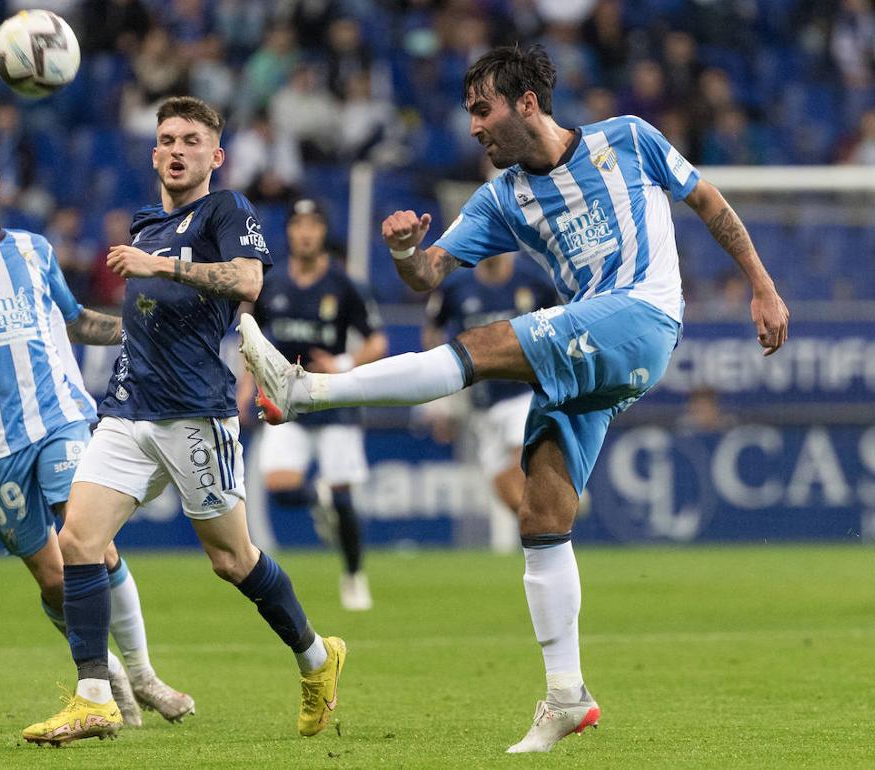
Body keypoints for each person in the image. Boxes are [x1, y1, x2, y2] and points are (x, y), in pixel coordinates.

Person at [240, 44, 789, 753]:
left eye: (482, 109)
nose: (473, 127)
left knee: (488, 343)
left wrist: (763, 285)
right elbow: (429, 276)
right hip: (596, 345)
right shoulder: (500, 199)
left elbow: (708, 203)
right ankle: (566, 696)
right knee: (541, 511)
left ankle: (308, 389)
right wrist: (409, 251)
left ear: (526, 102)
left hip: (644, 315)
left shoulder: (628, 138)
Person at [23, 97, 345, 745]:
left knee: (232, 560)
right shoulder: (144, 225)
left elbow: (250, 282)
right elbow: (122, 325)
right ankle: (93, 697)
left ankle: (317, 658)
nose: (176, 149)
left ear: (214, 156)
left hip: (195, 413)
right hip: (127, 411)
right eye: (166, 139)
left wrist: (162, 265)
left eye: (191, 140)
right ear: (153, 152)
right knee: (79, 543)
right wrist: (48, 312)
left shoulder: (226, 212)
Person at [0, 131, 192, 728]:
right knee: (53, 580)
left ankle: (145, 675)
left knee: (91, 545)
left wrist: (137, 331)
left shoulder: (34, 250)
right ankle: (108, 676)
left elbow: (75, 322)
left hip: (61, 418)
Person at [238, 198, 388, 610]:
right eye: (298, 224)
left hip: (333, 401)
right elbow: (255, 343)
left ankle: (354, 575)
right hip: (287, 404)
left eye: (313, 224)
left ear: (323, 232)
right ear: (288, 231)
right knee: (280, 487)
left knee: (343, 499)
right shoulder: (271, 283)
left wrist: (344, 362)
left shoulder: (345, 285)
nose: (305, 232)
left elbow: (377, 340)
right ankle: (316, 497)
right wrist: (246, 389)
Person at [422, 252, 557, 528]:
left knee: (521, 457)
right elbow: (433, 330)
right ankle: (549, 520)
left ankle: (553, 510)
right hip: (481, 399)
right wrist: (440, 401)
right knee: (504, 487)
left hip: (524, 392)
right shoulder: (456, 286)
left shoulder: (533, 279)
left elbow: (558, 320)